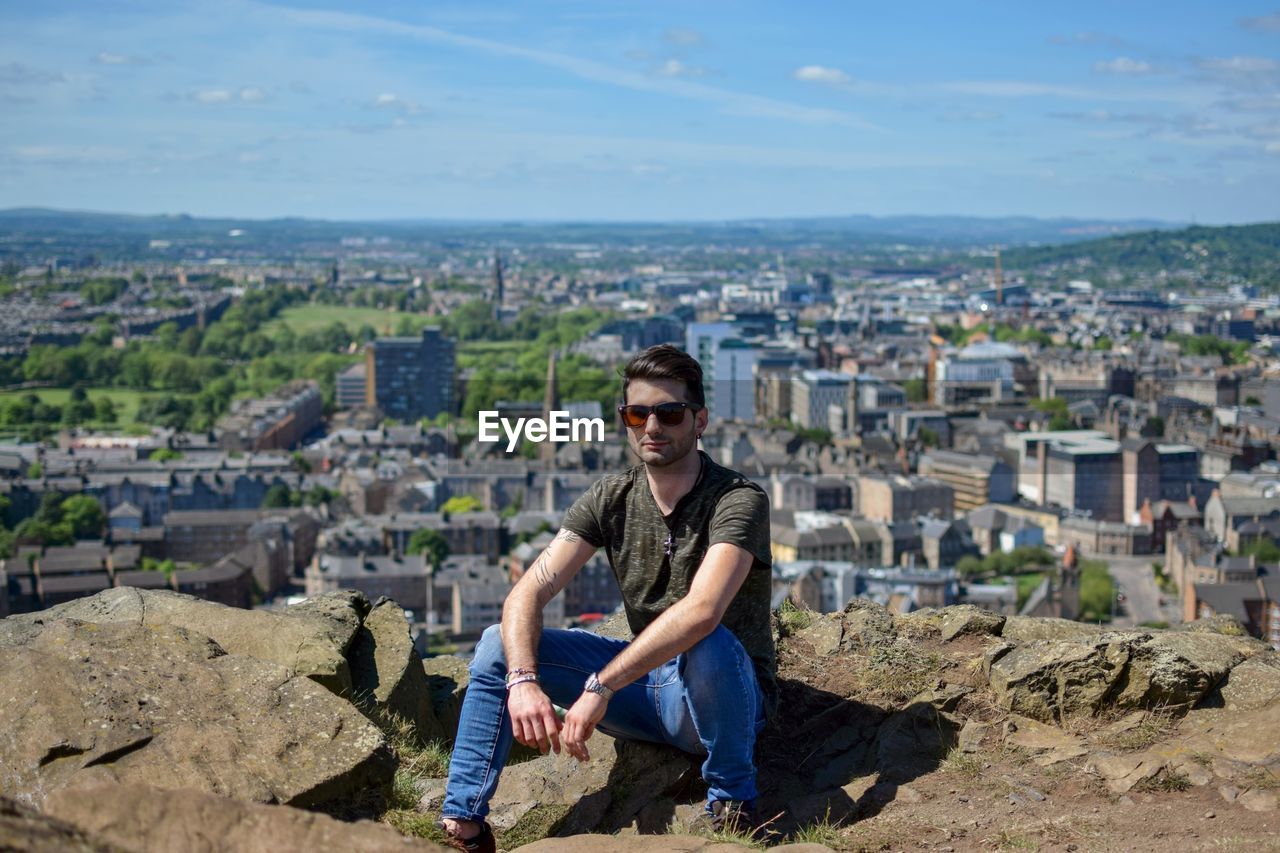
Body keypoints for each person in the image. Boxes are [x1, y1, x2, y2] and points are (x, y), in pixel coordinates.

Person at [437, 344, 776, 852]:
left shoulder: (736, 500)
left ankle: (732, 802)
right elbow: (526, 593)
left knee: (705, 640)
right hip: (644, 690)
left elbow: (703, 610)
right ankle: (464, 824)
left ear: (700, 420)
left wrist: (600, 684)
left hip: (720, 697)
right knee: (494, 644)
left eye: (670, 412)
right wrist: (524, 680)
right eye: (637, 414)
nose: (652, 427)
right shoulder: (611, 496)